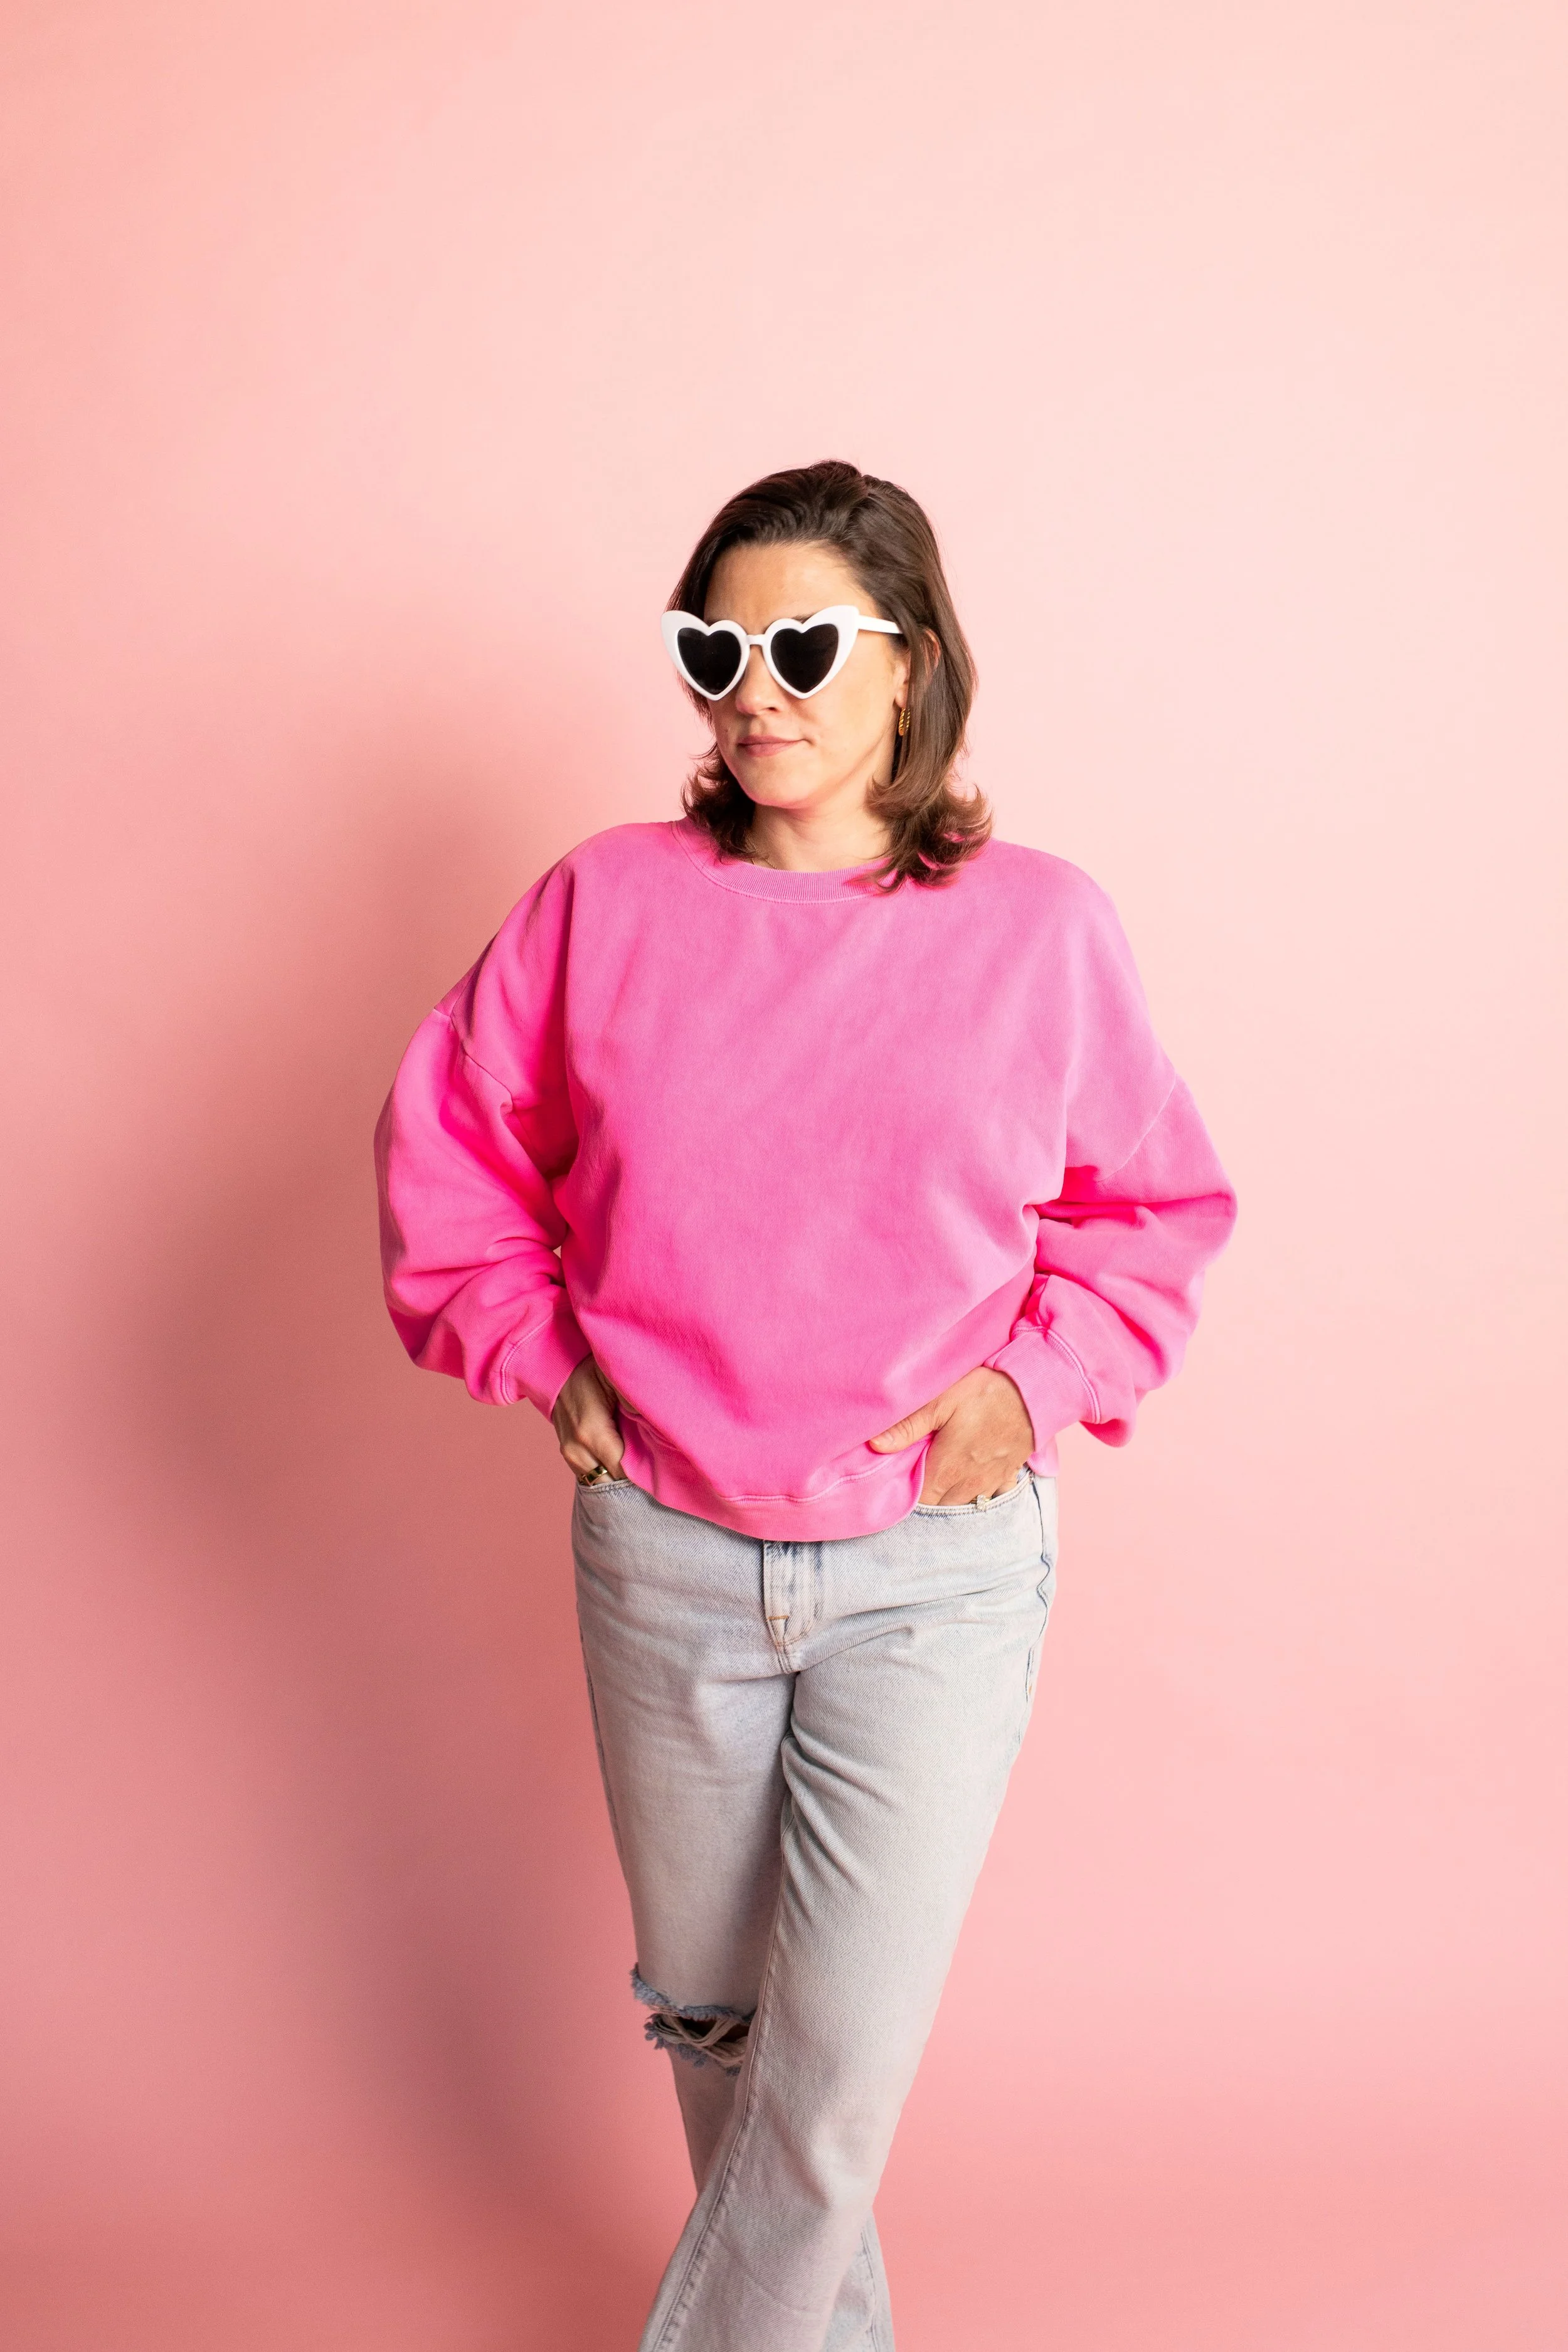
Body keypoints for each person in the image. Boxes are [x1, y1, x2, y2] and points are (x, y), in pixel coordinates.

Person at [374, 458, 1237, 2352]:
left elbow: (1153, 1204)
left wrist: (1042, 1377)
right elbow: (448, 1142)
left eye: (800, 643)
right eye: (714, 645)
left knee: (830, 2078)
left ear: (911, 665)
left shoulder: (1037, 926)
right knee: (712, 2018)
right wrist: (535, 1346)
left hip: (928, 1566)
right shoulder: (603, 903)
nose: (751, 685)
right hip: (666, 1549)